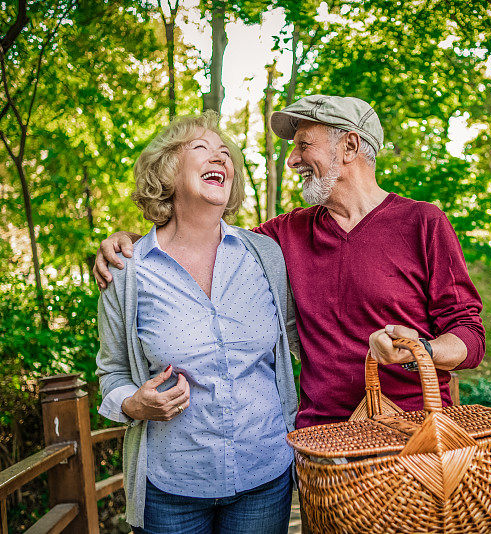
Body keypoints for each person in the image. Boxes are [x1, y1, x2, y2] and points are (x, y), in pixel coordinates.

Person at [94, 95, 485, 431]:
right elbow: (202, 236)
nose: (293, 158)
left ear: (349, 146)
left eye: (303, 145)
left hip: (413, 435)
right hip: (322, 444)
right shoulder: (285, 234)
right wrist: (134, 240)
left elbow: (469, 334)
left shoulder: (421, 222)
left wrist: (422, 352)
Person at [95, 112, 298, 534]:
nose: (220, 158)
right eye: (202, 150)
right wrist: (134, 404)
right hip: (172, 489)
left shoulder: (265, 255)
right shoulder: (127, 271)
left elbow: (302, 341)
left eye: (226, 154)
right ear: (166, 172)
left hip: (266, 474)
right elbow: (111, 372)